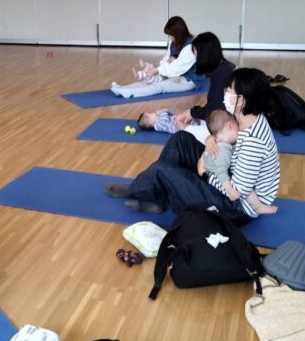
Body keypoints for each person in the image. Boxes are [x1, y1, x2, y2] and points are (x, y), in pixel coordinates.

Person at [105, 68, 281, 224]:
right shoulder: (245, 116)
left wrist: (205, 171)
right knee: (182, 139)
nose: (225, 93)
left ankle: (144, 189)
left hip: (235, 207)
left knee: (162, 170)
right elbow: (227, 137)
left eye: (229, 90)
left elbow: (236, 192)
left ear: (242, 100)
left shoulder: (253, 143)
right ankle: (156, 194)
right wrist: (211, 139)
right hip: (228, 172)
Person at [205, 109, 277, 215]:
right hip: (216, 172)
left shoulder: (225, 140)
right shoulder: (223, 150)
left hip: (220, 167)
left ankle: (259, 206)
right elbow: (221, 173)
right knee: (246, 189)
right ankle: (258, 206)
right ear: (230, 125)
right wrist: (229, 190)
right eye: (237, 125)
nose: (239, 130)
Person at [110, 16, 197, 98]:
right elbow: (166, 58)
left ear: (178, 33)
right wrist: (159, 68)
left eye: (171, 35)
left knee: (160, 86)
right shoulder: (174, 41)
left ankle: (130, 93)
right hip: (173, 73)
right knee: (149, 81)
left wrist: (157, 70)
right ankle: (122, 89)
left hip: (188, 79)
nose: (170, 37)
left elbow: (177, 67)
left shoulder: (190, 46)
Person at [175, 32, 236, 127]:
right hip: (230, 118)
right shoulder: (227, 66)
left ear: (204, 55)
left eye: (196, 55)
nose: (195, 59)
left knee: (180, 122)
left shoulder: (219, 76)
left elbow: (215, 112)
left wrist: (192, 112)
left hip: (227, 123)